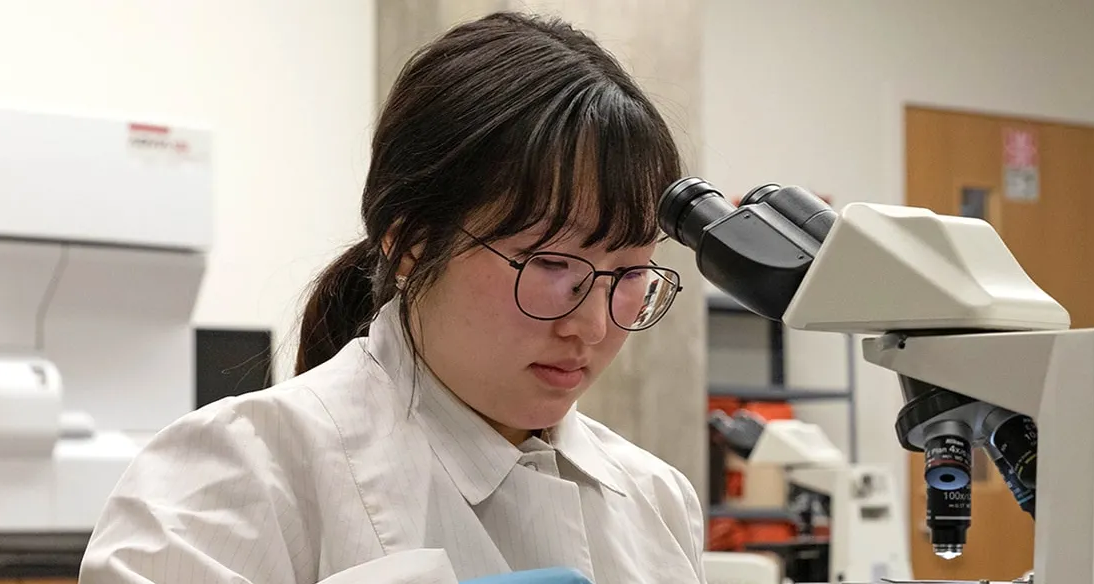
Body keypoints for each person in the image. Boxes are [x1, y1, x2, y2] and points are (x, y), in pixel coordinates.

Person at [79, 12, 703, 584]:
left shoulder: (657, 500)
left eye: (629, 274)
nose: (591, 327)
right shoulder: (233, 478)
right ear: (409, 246)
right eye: (551, 266)